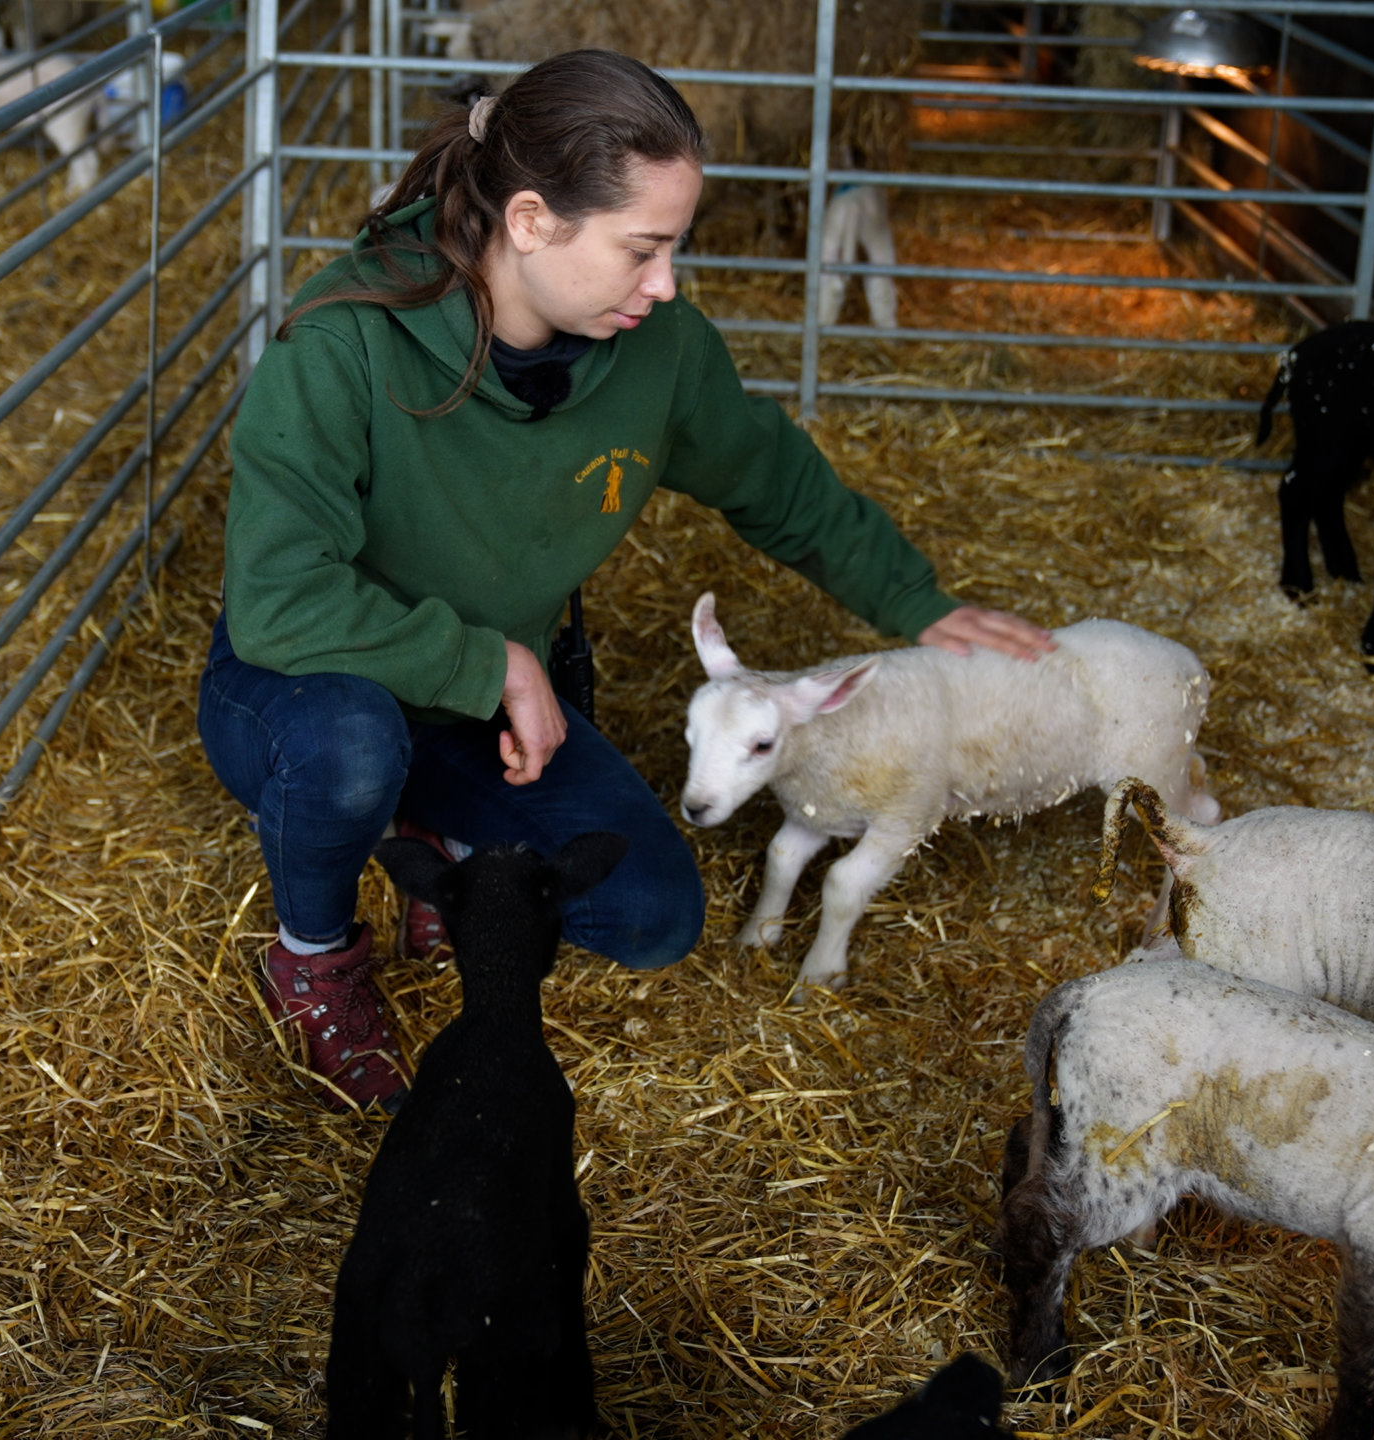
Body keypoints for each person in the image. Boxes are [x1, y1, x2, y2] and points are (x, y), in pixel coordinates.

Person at [199, 49, 1053, 1112]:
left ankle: (425, 829)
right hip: (306, 685)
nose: (667, 285)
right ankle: (314, 956)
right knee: (348, 749)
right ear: (528, 221)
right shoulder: (342, 348)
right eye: (642, 249)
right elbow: (283, 602)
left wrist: (915, 603)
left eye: (674, 248)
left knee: (648, 916)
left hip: (487, 707)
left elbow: (771, 477)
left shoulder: (657, 349)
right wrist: (494, 661)